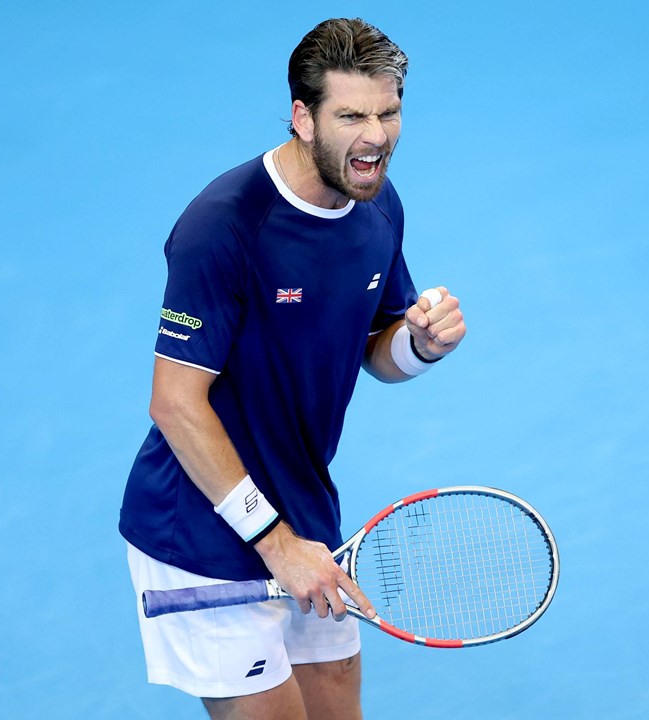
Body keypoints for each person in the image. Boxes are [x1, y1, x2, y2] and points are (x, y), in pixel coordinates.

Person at [119, 17, 467, 720]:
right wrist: (274, 543)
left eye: (389, 112)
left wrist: (420, 346)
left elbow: (377, 350)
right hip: (202, 527)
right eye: (351, 116)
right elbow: (175, 403)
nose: (375, 135)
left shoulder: (377, 207)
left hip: (306, 514)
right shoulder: (223, 226)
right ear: (303, 118)